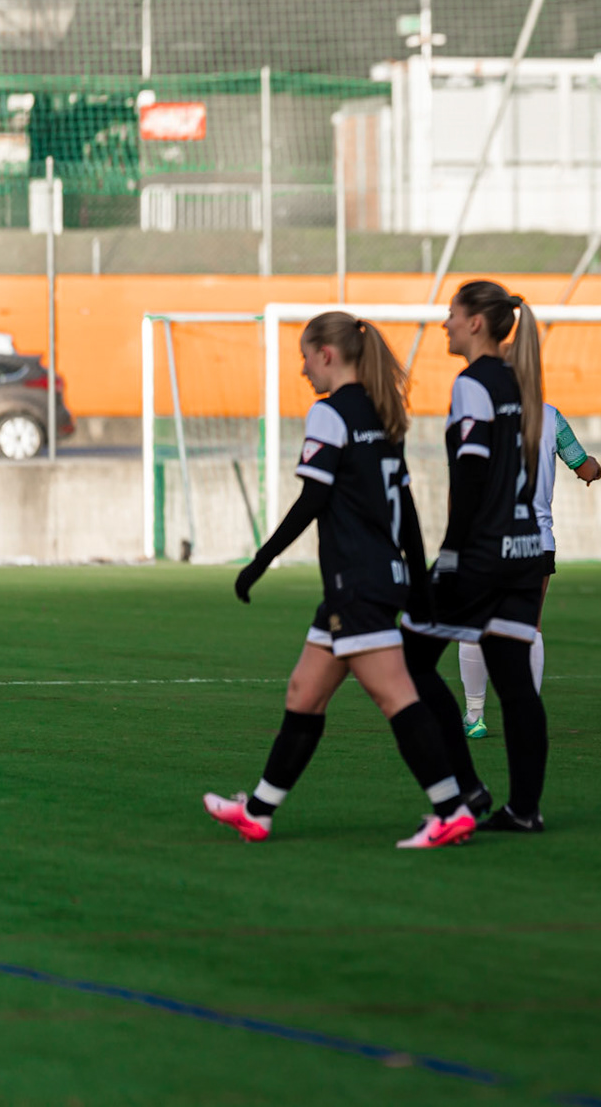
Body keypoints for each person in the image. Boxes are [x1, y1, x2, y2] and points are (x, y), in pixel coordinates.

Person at [206, 312, 473, 849]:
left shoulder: (329, 414)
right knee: (305, 692)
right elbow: (409, 511)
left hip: (358, 582)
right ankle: (258, 812)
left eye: (306, 356)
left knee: (397, 695)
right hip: (374, 579)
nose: (303, 369)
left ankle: (450, 808)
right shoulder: (382, 413)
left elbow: (314, 499)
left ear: (327, 354)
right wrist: (417, 586)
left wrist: (260, 560)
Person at [400, 280, 553, 834]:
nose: (444, 323)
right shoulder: (522, 380)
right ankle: (525, 810)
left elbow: (470, 473)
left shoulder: (473, 383)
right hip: (525, 550)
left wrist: (451, 553)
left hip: (484, 555)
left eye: (451, 314)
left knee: (409, 661)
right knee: (514, 682)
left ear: (476, 324)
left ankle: (465, 789)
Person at [458, 401, 601, 738]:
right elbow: (582, 466)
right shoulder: (551, 416)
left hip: (488, 539)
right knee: (530, 628)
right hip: (536, 540)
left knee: (475, 625)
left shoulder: (481, 413)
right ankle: (525, 716)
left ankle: (474, 715)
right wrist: (596, 471)